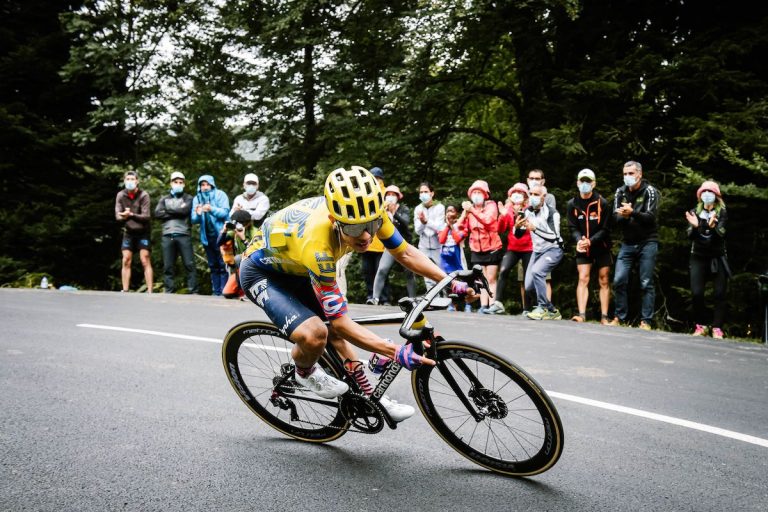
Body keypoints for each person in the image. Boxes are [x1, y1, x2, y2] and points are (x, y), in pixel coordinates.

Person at [238, 166, 476, 422]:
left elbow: (405, 253)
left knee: (335, 331)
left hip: (295, 265)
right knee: (318, 333)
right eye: (353, 229)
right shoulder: (319, 246)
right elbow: (340, 323)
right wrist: (393, 351)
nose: (365, 236)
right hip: (261, 271)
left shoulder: (371, 213)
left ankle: (372, 395)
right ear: (334, 221)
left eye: (371, 225)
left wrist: (451, 281)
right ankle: (303, 372)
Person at [610, 160, 660, 330]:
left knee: (646, 281)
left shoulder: (650, 191)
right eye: (625, 174)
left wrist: (632, 213)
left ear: (639, 174)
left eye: (631, 174)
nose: (627, 177)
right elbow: (614, 218)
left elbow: (651, 217)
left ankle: (646, 321)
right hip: (628, 243)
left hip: (648, 242)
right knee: (619, 280)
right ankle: (620, 317)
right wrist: (624, 216)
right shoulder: (620, 192)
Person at [566, 169, 612, 323]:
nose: (585, 184)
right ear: (578, 183)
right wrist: (579, 240)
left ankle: (605, 316)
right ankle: (582, 314)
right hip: (582, 246)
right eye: (582, 181)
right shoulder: (572, 204)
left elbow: (606, 229)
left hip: (601, 246)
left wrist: (591, 241)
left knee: (604, 279)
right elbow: (572, 227)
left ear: (594, 183)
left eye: (588, 181)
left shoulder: (603, 203)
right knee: (583, 278)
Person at [685, 180, 730, 339]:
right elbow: (691, 236)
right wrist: (697, 227)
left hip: (717, 257)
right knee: (697, 293)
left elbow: (720, 235)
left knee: (719, 293)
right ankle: (701, 325)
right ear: (700, 195)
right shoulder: (694, 212)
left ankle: (717, 327)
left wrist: (712, 228)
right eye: (703, 192)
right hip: (698, 257)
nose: (707, 195)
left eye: (710, 192)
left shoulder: (722, 212)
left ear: (716, 195)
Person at [519, 184, 563, 320]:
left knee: (538, 272)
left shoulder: (552, 213)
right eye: (531, 194)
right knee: (528, 286)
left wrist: (535, 229)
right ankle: (552, 310)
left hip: (553, 249)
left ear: (544, 197)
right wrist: (517, 227)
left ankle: (542, 308)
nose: (533, 197)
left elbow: (554, 237)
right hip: (537, 251)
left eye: (536, 194)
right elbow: (519, 235)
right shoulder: (527, 211)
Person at [458, 180, 503, 313]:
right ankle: (483, 306)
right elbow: (460, 227)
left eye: (479, 192)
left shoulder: (491, 205)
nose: (476, 195)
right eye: (474, 193)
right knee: (480, 279)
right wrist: (464, 214)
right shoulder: (470, 209)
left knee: (491, 278)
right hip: (476, 248)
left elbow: (489, 221)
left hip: (492, 247)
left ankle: (493, 304)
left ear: (485, 194)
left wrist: (472, 210)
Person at [491, 183, 534, 314]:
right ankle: (497, 303)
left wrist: (514, 215)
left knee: (528, 277)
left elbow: (524, 228)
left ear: (525, 197)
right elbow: (500, 229)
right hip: (513, 248)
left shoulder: (530, 209)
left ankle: (527, 308)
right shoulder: (507, 210)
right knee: (503, 270)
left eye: (520, 193)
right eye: (514, 193)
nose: (517, 195)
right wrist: (503, 215)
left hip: (528, 248)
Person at [154, 171, 197, 294]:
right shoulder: (164, 199)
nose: (178, 184)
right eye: (175, 182)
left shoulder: (188, 198)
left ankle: (193, 290)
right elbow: (157, 213)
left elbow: (185, 211)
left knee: (189, 264)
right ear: (171, 183)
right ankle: (168, 290)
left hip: (184, 234)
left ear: (184, 184)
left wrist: (167, 211)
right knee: (168, 266)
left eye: (180, 182)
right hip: (167, 235)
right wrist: (177, 210)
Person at [372, 185, 416, 303]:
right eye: (388, 194)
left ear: (398, 197)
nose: (390, 197)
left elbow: (406, 223)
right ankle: (375, 298)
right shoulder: (382, 210)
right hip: (391, 245)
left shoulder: (403, 209)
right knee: (382, 269)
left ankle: (413, 300)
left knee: (409, 273)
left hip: (405, 244)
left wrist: (394, 213)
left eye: (393, 195)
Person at [191, 174, 230, 296]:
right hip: (207, 237)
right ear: (199, 186)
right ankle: (216, 291)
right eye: (202, 184)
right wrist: (197, 214)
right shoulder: (197, 198)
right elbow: (193, 219)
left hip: (221, 235)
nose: (205, 186)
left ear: (212, 184)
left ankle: (225, 291)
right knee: (213, 265)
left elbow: (225, 212)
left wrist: (211, 209)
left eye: (207, 184)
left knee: (223, 264)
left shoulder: (220, 195)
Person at [114, 170, 153, 292]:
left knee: (145, 258)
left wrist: (130, 215)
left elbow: (146, 216)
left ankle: (150, 290)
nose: (130, 182)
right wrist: (124, 216)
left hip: (143, 231)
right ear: (124, 181)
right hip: (129, 231)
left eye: (132, 179)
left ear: (137, 181)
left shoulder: (144, 195)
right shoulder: (120, 195)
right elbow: (118, 216)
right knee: (126, 259)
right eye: (128, 179)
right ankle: (125, 289)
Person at [217, 209, 258, 299]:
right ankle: (240, 290)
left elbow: (256, 251)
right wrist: (224, 231)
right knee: (227, 293)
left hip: (254, 263)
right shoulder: (235, 232)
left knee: (238, 258)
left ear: (247, 223)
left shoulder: (255, 232)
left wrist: (243, 239)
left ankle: (246, 292)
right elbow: (218, 243)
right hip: (240, 266)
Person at [414, 182, 446, 292]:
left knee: (442, 274)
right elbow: (418, 230)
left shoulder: (440, 207)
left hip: (438, 247)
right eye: (421, 192)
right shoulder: (418, 208)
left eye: (426, 192)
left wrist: (426, 221)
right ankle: (433, 301)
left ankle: (448, 300)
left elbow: (440, 228)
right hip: (423, 247)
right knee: (427, 276)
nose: (423, 194)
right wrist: (422, 223)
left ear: (432, 193)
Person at [362, 166, 387, 304]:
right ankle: (370, 296)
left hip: (381, 241)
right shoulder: (365, 192)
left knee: (380, 270)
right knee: (367, 271)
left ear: (381, 179)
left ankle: (383, 297)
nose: (375, 180)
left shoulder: (385, 194)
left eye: (377, 178)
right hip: (366, 239)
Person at [438, 205, 467, 311]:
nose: (449, 213)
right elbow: (441, 240)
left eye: (452, 211)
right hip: (446, 263)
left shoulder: (461, 226)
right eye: (448, 211)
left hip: (458, 261)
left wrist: (452, 227)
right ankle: (448, 304)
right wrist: (447, 226)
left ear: (456, 214)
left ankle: (462, 305)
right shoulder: (442, 226)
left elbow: (458, 238)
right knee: (447, 284)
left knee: (460, 284)